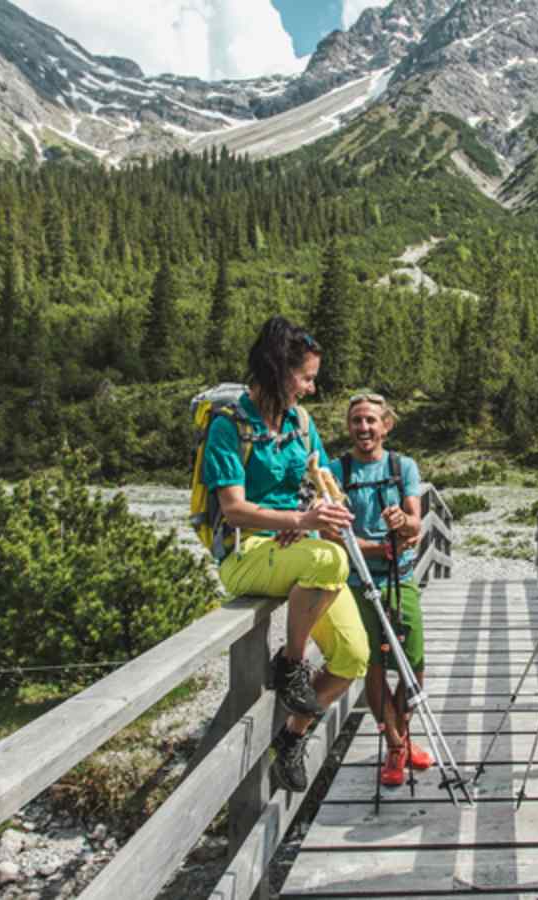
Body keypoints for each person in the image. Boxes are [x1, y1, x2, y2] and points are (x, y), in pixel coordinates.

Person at [201, 316, 371, 793]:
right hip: (247, 551)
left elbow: (316, 476)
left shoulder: (300, 422)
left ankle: (291, 735)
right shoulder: (229, 425)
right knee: (330, 560)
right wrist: (302, 523)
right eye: (307, 377)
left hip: (297, 546)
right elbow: (234, 510)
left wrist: (321, 507)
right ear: (279, 371)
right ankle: (292, 665)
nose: (312, 389)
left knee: (354, 657)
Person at [327, 393, 432, 787]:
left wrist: (401, 521)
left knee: (414, 660)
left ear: (385, 424)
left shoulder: (402, 466)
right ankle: (394, 744)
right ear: (349, 426)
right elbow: (333, 534)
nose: (364, 428)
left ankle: (400, 733)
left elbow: (415, 526)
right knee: (372, 661)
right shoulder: (336, 471)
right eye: (357, 421)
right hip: (355, 580)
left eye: (371, 420)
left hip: (398, 576)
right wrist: (378, 547)